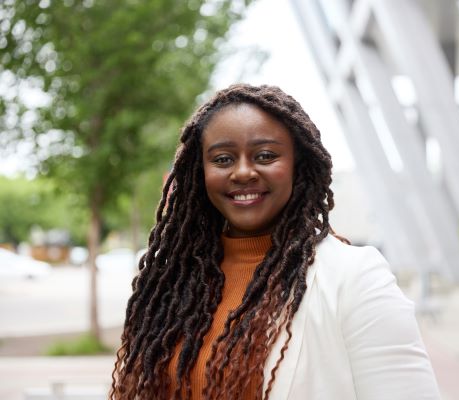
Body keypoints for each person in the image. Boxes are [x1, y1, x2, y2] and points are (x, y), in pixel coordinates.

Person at [110, 84, 441, 399]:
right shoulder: (174, 284)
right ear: (201, 171)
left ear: (298, 166)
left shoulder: (354, 279)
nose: (242, 172)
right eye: (223, 158)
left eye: (265, 155)